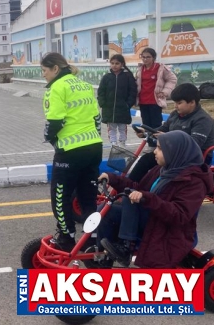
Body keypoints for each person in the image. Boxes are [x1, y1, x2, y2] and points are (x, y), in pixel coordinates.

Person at [97, 131, 213, 268]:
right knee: (106, 209)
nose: (154, 152)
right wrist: (113, 179)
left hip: (169, 230)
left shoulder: (193, 182)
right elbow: (138, 187)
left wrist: (146, 198)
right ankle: (105, 254)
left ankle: (126, 246)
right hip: (153, 218)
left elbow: (179, 215)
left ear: (174, 151)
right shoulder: (162, 170)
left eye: (160, 148)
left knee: (129, 198)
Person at [40, 52, 103, 251]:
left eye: (44, 71)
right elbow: (97, 120)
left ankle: (66, 238)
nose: (43, 75)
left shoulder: (56, 87)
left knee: (60, 196)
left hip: (70, 151)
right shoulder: (83, 85)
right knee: (88, 196)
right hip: (94, 147)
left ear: (55, 69)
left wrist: (50, 138)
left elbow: (55, 122)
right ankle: (92, 239)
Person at [129, 83, 214, 182]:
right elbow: (164, 128)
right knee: (146, 159)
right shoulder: (175, 114)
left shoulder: (202, 120)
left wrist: (168, 138)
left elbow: (194, 144)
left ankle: (148, 190)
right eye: (175, 103)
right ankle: (129, 187)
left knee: (157, 167)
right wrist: (146, 132)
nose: (175, 106)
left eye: (179, 103)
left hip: (194, 157)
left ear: (191, 102)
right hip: (173, 153)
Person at [97, 54, 137, 148]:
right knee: (111, 128)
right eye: (112, 63)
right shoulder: (106, 77)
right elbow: (101, 91)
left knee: (122, 127)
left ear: (122, 64)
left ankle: (122, 143)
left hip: (123, 108)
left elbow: (133, 91)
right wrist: (102, 103)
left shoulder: (127, 76)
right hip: (109, 108)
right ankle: (113, 144)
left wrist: (128, 104)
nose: (114, 65)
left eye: (117, 63)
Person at [135, 48, 177, 131]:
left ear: (153, 58)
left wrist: (164, 92)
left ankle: (157, 143)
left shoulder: (160, 68)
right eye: (143, 57)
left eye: (148, 57)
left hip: (155, 101)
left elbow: (172, 79)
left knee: (156, 125)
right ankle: (149, 142)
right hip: (143, 101)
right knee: (146, 125)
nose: (145, 59)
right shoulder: (140, 69)